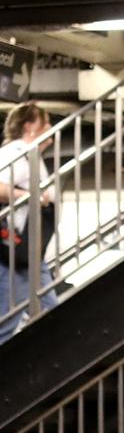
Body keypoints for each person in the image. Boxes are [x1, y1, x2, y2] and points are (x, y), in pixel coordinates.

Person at [0, 102, 58, 344]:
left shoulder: (30, 153)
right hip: (14, 250)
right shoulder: (15, 153)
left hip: (30, 251)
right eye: (45, 124)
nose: (51, 129)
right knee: (7, 318)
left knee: (51, 309)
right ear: (29, 127)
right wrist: (30, 196)